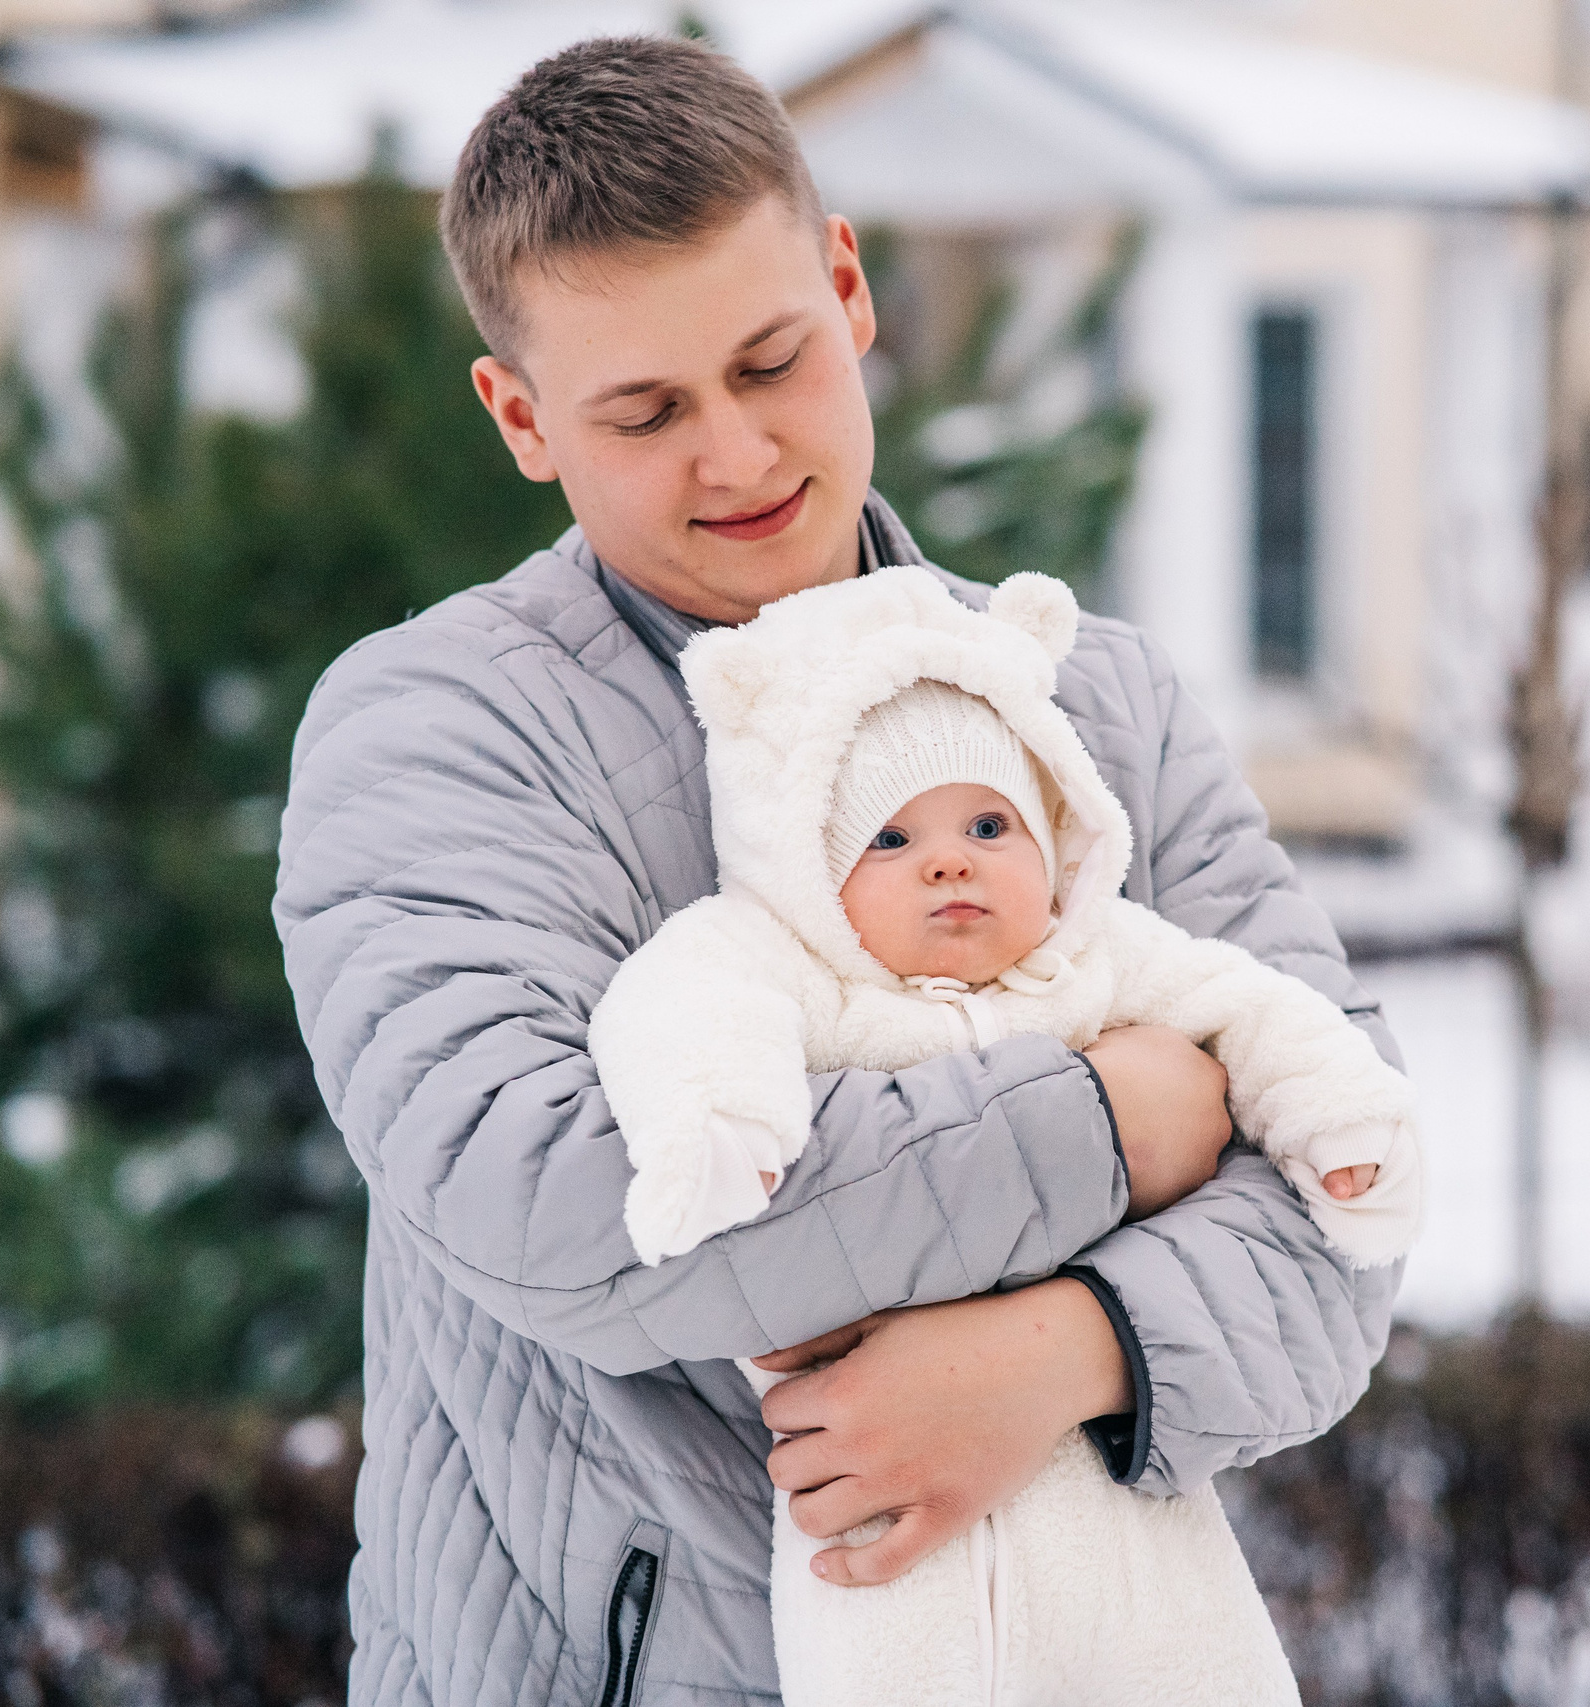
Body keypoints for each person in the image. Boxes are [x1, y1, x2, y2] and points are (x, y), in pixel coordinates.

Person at [270, 31, 1402, 1706]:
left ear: (849, 288)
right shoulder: (435, 734)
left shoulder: (1093, 705)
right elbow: (561, 1206)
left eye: (771, 362)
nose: (734, 456)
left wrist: (1061, 1354)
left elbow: (1352, 1201)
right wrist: (1116, 1120)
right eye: (644, 411)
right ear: (520, 415)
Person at [588, 565, 1423, 1705]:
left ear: (1056, 834)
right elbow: (680, 1003)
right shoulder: (800, 973)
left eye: (989, 823)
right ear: (812, 874)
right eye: (888, 839)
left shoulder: (1098, 960)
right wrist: (723, 1122)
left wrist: (1335, 1122)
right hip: (874, 1499)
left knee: (1196, 1665)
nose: (949, 859)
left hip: (1115, 1482)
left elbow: (1255, 1006)